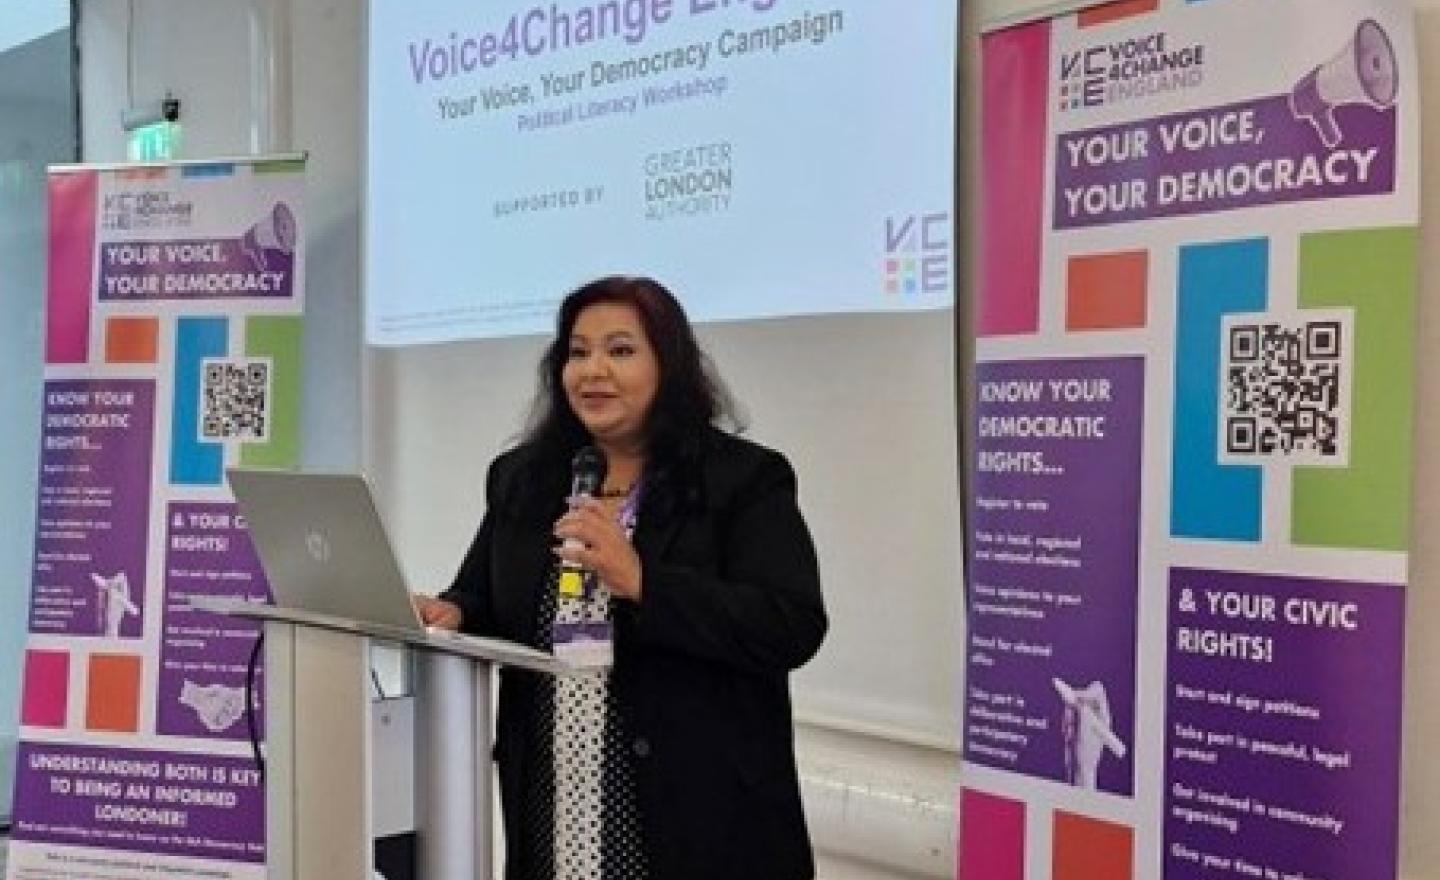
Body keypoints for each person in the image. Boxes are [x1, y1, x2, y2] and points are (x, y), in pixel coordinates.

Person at [413, 275, 827, 880]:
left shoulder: (742, 480)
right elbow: (483, 593)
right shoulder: (523, 479)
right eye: (578, 353)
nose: (593, 370)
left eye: (620, 350)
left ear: (669, 365)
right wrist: (454, 612)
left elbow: (790, 624)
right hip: (556, 799)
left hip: (697, 816)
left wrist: (644, 581)